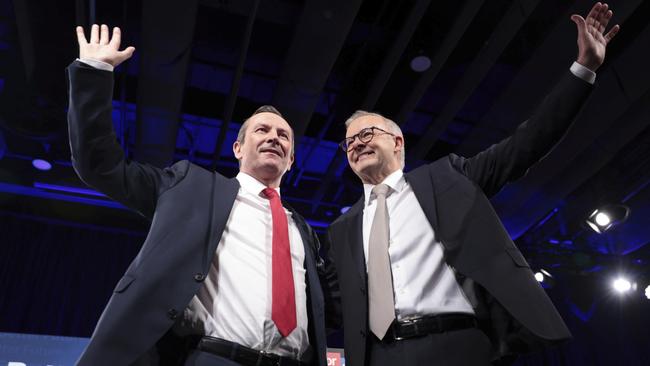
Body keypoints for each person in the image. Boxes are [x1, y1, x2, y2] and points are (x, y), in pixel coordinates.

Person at [327, 3, 619, 365]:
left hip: (459, 345)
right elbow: (326, 304)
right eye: (349, 142)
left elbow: (526, 144)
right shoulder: (342, 229)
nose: (356, 143)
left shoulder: (448, 176)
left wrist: (584, 68)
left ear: (397, 142)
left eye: (366, 133)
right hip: (380, 357)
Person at [68, 24, 338, 366]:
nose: (274, 138)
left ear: (292, 159)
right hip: (213, 358)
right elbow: (100, 166)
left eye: (284, 135)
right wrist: (94, 72)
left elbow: (331, 308)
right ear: (238, 148)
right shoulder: (190, 186)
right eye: (262, 130)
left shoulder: (304, 232)